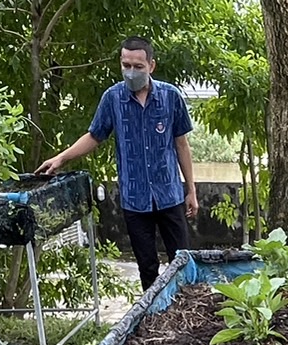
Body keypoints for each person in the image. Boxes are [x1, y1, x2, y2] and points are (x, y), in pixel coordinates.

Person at [36, 37, 199, 290]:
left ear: (151, 66)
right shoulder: (112, 99)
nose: (131, 72)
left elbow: (181, 144)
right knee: (147, 267)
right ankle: (151, 320)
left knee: (182, 261)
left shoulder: (170, 97)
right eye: (126, 65)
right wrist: (61, 157)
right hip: (134, 198)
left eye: (138, 66)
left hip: (169, 195)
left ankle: (186, 315)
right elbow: (94, 136)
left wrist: (191, 189)